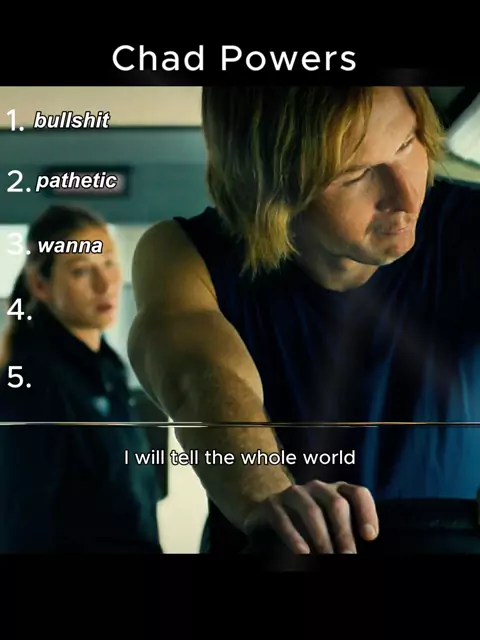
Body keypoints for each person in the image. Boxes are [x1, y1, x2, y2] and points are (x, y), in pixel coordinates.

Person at [128, 86, 480, 555]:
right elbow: (196, 373)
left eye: (406, 144)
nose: (406, 195)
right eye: (355, 174)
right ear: (274, 185)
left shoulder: (470, 226)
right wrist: (272, 503)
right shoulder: (183, 253)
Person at [0, 205, 161, 553]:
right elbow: (24, 520)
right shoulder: (34, 382)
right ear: (41, 285)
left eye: (109, 263)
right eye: (81, 271)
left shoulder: (109, 371)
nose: (105, 284)